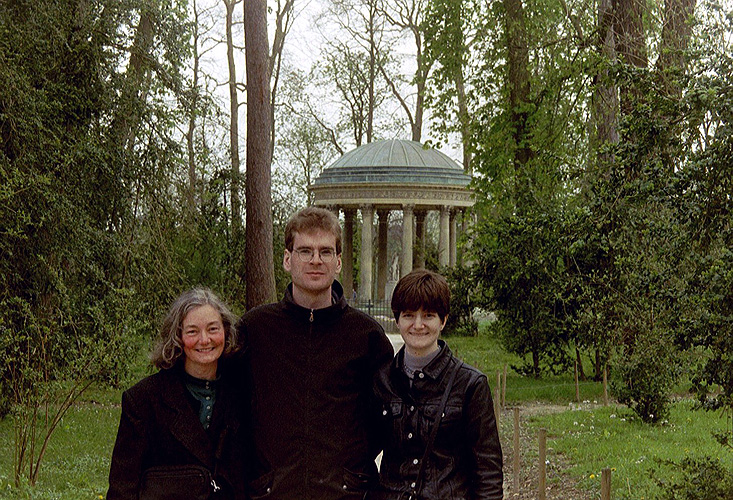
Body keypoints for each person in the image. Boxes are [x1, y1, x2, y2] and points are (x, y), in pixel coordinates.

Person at [237, 206, 394, 499]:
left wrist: (350, 471)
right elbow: (232, 411)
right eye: (305, 251)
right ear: (287, 259)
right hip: (271, 491)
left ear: (337, 262)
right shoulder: (255, 330)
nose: (315, 261)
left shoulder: (366, 336)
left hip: (346, 492)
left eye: (324, 252)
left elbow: (385, 420)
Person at [372, 270, 503, 500]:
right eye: (409, 315)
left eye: (429, 315)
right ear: (397, 320)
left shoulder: (470, 385)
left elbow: (487, 471)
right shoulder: (382, 380)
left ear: (443, 320)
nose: (418, 325)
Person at [107, 288, 247, 500]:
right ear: (178, 337)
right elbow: (122, 489)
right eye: (192, 331)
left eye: (213, 329)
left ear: (226, 332)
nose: (204, 339)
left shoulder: (242, 394)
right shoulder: (143, 400)